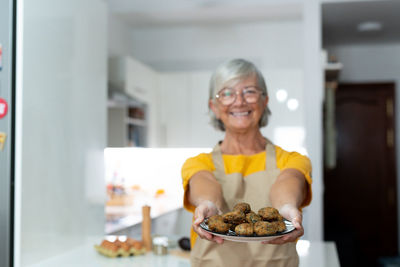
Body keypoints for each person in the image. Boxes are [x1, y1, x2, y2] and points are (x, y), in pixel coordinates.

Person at [181, 58, 312, 267]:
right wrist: (208, 205)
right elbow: (204, 185)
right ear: (214, 107)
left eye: (249, 91)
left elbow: (288, 181)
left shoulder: (292, 160)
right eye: (227, 93)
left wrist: (287, 207)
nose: (239, 101)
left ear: (265, 100)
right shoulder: (198, 163)